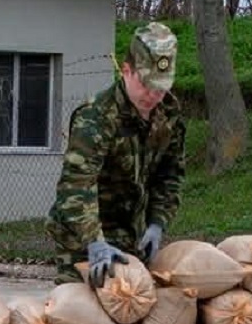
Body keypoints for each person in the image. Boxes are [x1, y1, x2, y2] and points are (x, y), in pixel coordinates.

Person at [47, 22, 186, 287]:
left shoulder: (169, 113)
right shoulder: (96, 118)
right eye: (146, 84)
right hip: (83, 237)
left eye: (161, 86)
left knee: (131, 311)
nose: (153, 95)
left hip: (132, 235)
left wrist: (158, 223)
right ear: (126, 71)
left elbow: (170, 176)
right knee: (81, 316)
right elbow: (76, 187)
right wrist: (95, 243)